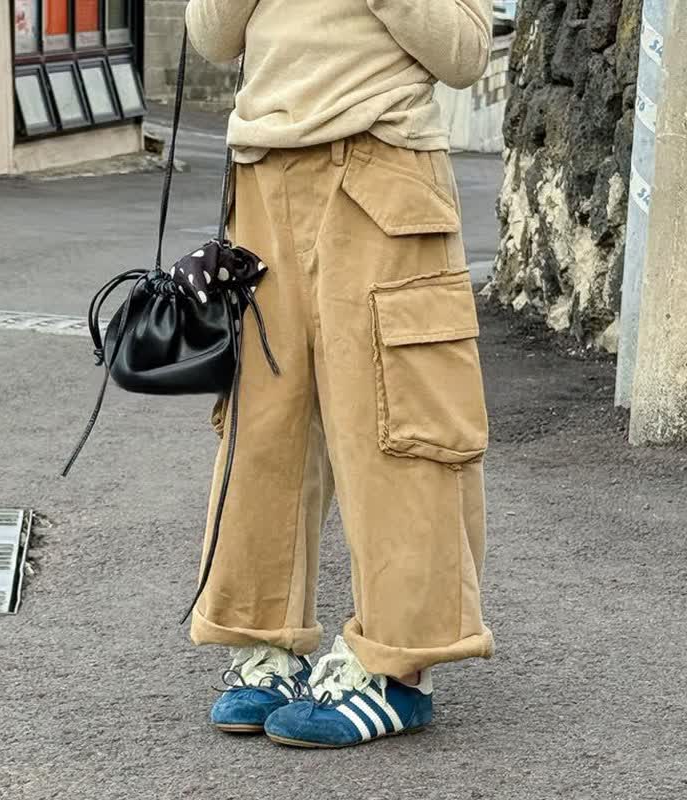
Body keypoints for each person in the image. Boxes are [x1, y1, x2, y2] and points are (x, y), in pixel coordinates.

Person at [184, 0, 494, 748]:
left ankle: (398, 669)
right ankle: (266, 639)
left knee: (396, 418)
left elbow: (465, 52)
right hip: (261, 177)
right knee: (262, 425)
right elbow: (213, 37)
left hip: (383, 170)